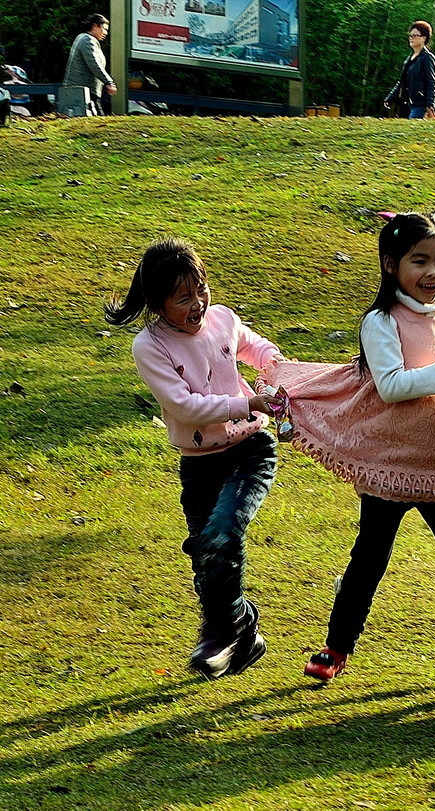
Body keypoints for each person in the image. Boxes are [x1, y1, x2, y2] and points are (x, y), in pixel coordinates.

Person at [261, 212, 435, 683]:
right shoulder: (381, 321)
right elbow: (391, 386)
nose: (434, 272)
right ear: (391, 266)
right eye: (420, 261)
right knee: (369, 559)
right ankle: (336, 647)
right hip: (388, 463)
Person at [103, 238, 285, 679]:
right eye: (183, 297)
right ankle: (241, 631)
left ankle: (220, 632)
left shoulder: (222, 319)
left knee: (223, 533)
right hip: (200, 461)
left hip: (249, 450)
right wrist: (249, 403)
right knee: (207, 558)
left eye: (200, 288)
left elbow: (254, 347)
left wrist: (274, 365)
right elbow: (184, 405)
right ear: (157, 302)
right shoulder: (150, 346)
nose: (198, 303)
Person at [383, 20, 435, 119]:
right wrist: (390, 98)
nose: (411, 38)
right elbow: (402, 82)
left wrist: (430, 106)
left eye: (415, 35)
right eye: (410, 36)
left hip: (421, 106)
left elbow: (432, 83)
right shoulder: (409, 59)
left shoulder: (427, 58)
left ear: (423, 38)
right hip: (407, 105)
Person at [63, 13, 115, 116]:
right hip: (82, 92)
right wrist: (109, 82)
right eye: (104, 29)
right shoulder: (87, 40)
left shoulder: (89, 40)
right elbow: (94, 64)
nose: (105, 33)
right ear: (95, 26)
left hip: (87, 92)